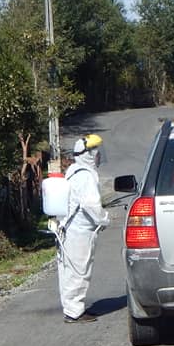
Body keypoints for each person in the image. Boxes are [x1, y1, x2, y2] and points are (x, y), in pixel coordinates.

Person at [57, 134, 110, 323]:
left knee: (68, 270)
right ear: (88, 155)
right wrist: (104, 219)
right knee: (80, 271)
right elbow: (91, 204)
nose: (99, 156)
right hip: (79, 232)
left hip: (69, 230)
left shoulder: (73, 171)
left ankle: (71, 308)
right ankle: (74, 312)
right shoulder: (86, 176)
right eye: (96, 152)